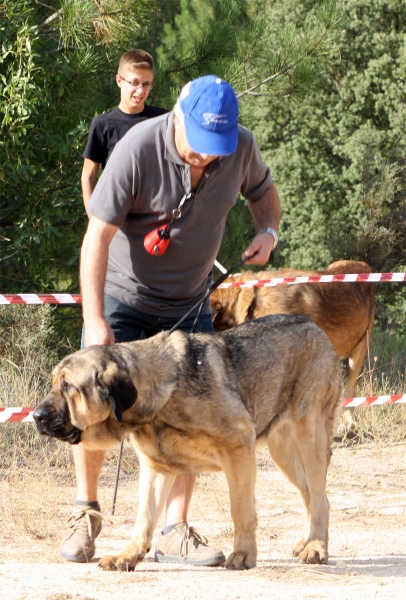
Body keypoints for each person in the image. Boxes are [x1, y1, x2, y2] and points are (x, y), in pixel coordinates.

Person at [60, 75, 281, 566]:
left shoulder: (239, 148)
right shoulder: (138, 148)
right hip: (125, 299)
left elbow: (265, 195)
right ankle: (85, 513)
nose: (206, 157)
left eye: (215, 147)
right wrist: (95, 319)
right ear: (178, 116)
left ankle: (175, 529)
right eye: (198, 144)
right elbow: (95, 237)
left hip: (190, 305)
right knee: (90, 403)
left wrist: (268, 231)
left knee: (192, 415)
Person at [81, 48, 167, 213]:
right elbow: (88, 176)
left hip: (155, 218)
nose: (140, 91)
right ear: (119, 80)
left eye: (146, 84)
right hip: (116, 216)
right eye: (134, 82)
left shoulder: (163, 119)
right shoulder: (102, 124)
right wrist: (94, 218)